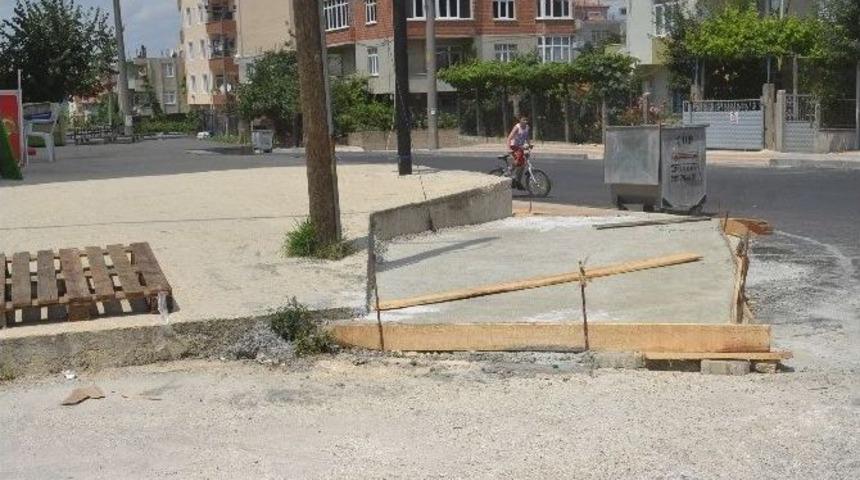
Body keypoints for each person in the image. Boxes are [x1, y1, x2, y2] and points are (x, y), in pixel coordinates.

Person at [507, 116, 531, 181]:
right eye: (523, 120)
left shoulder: (527, 127)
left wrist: (529, 144)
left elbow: (527, 136)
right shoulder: (517, 127)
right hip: (514, 145)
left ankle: (517, 178)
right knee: (518, 160)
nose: (525, 121)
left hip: (520, 146)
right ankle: (510, 170)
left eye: (526, 120)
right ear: (520, 120)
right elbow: (509, 138)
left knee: (523, 162)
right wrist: (508, 148)